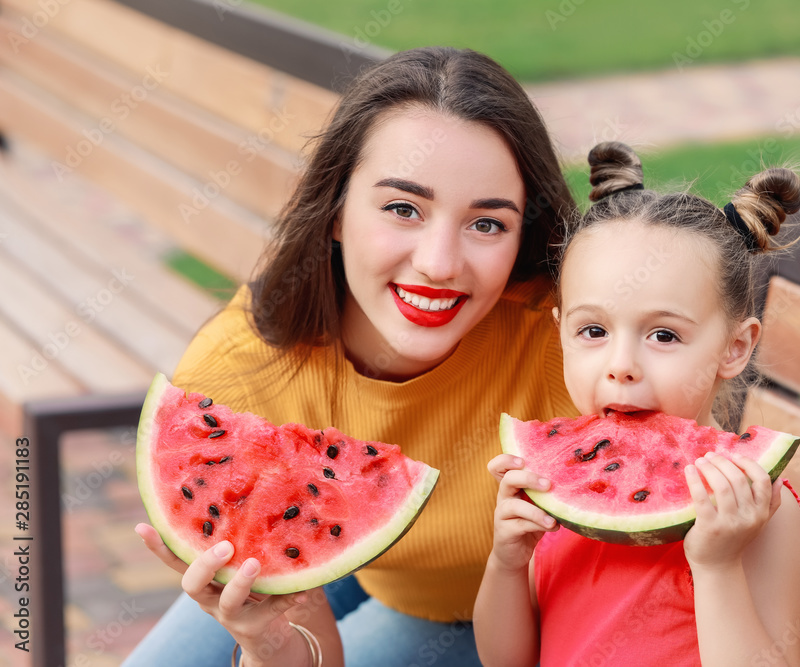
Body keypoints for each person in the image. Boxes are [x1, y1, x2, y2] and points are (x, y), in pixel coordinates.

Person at [126, 46, 581, 667]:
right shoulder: (240, 368)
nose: (439, 263)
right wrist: (267, 641)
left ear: (524, 232)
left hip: (487, 612)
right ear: (336, 210)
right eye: (402, 208)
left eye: (487, 224)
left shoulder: (573, 345)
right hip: (339, 557)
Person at [474, 141, 800, 666]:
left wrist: (716, 567)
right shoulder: (550, 484)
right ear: (561, 333)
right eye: (593, 329)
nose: (622, 364)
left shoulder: (763, 509)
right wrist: (506, 562)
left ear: (735, 347)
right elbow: (507, 661)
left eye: (663, 335)